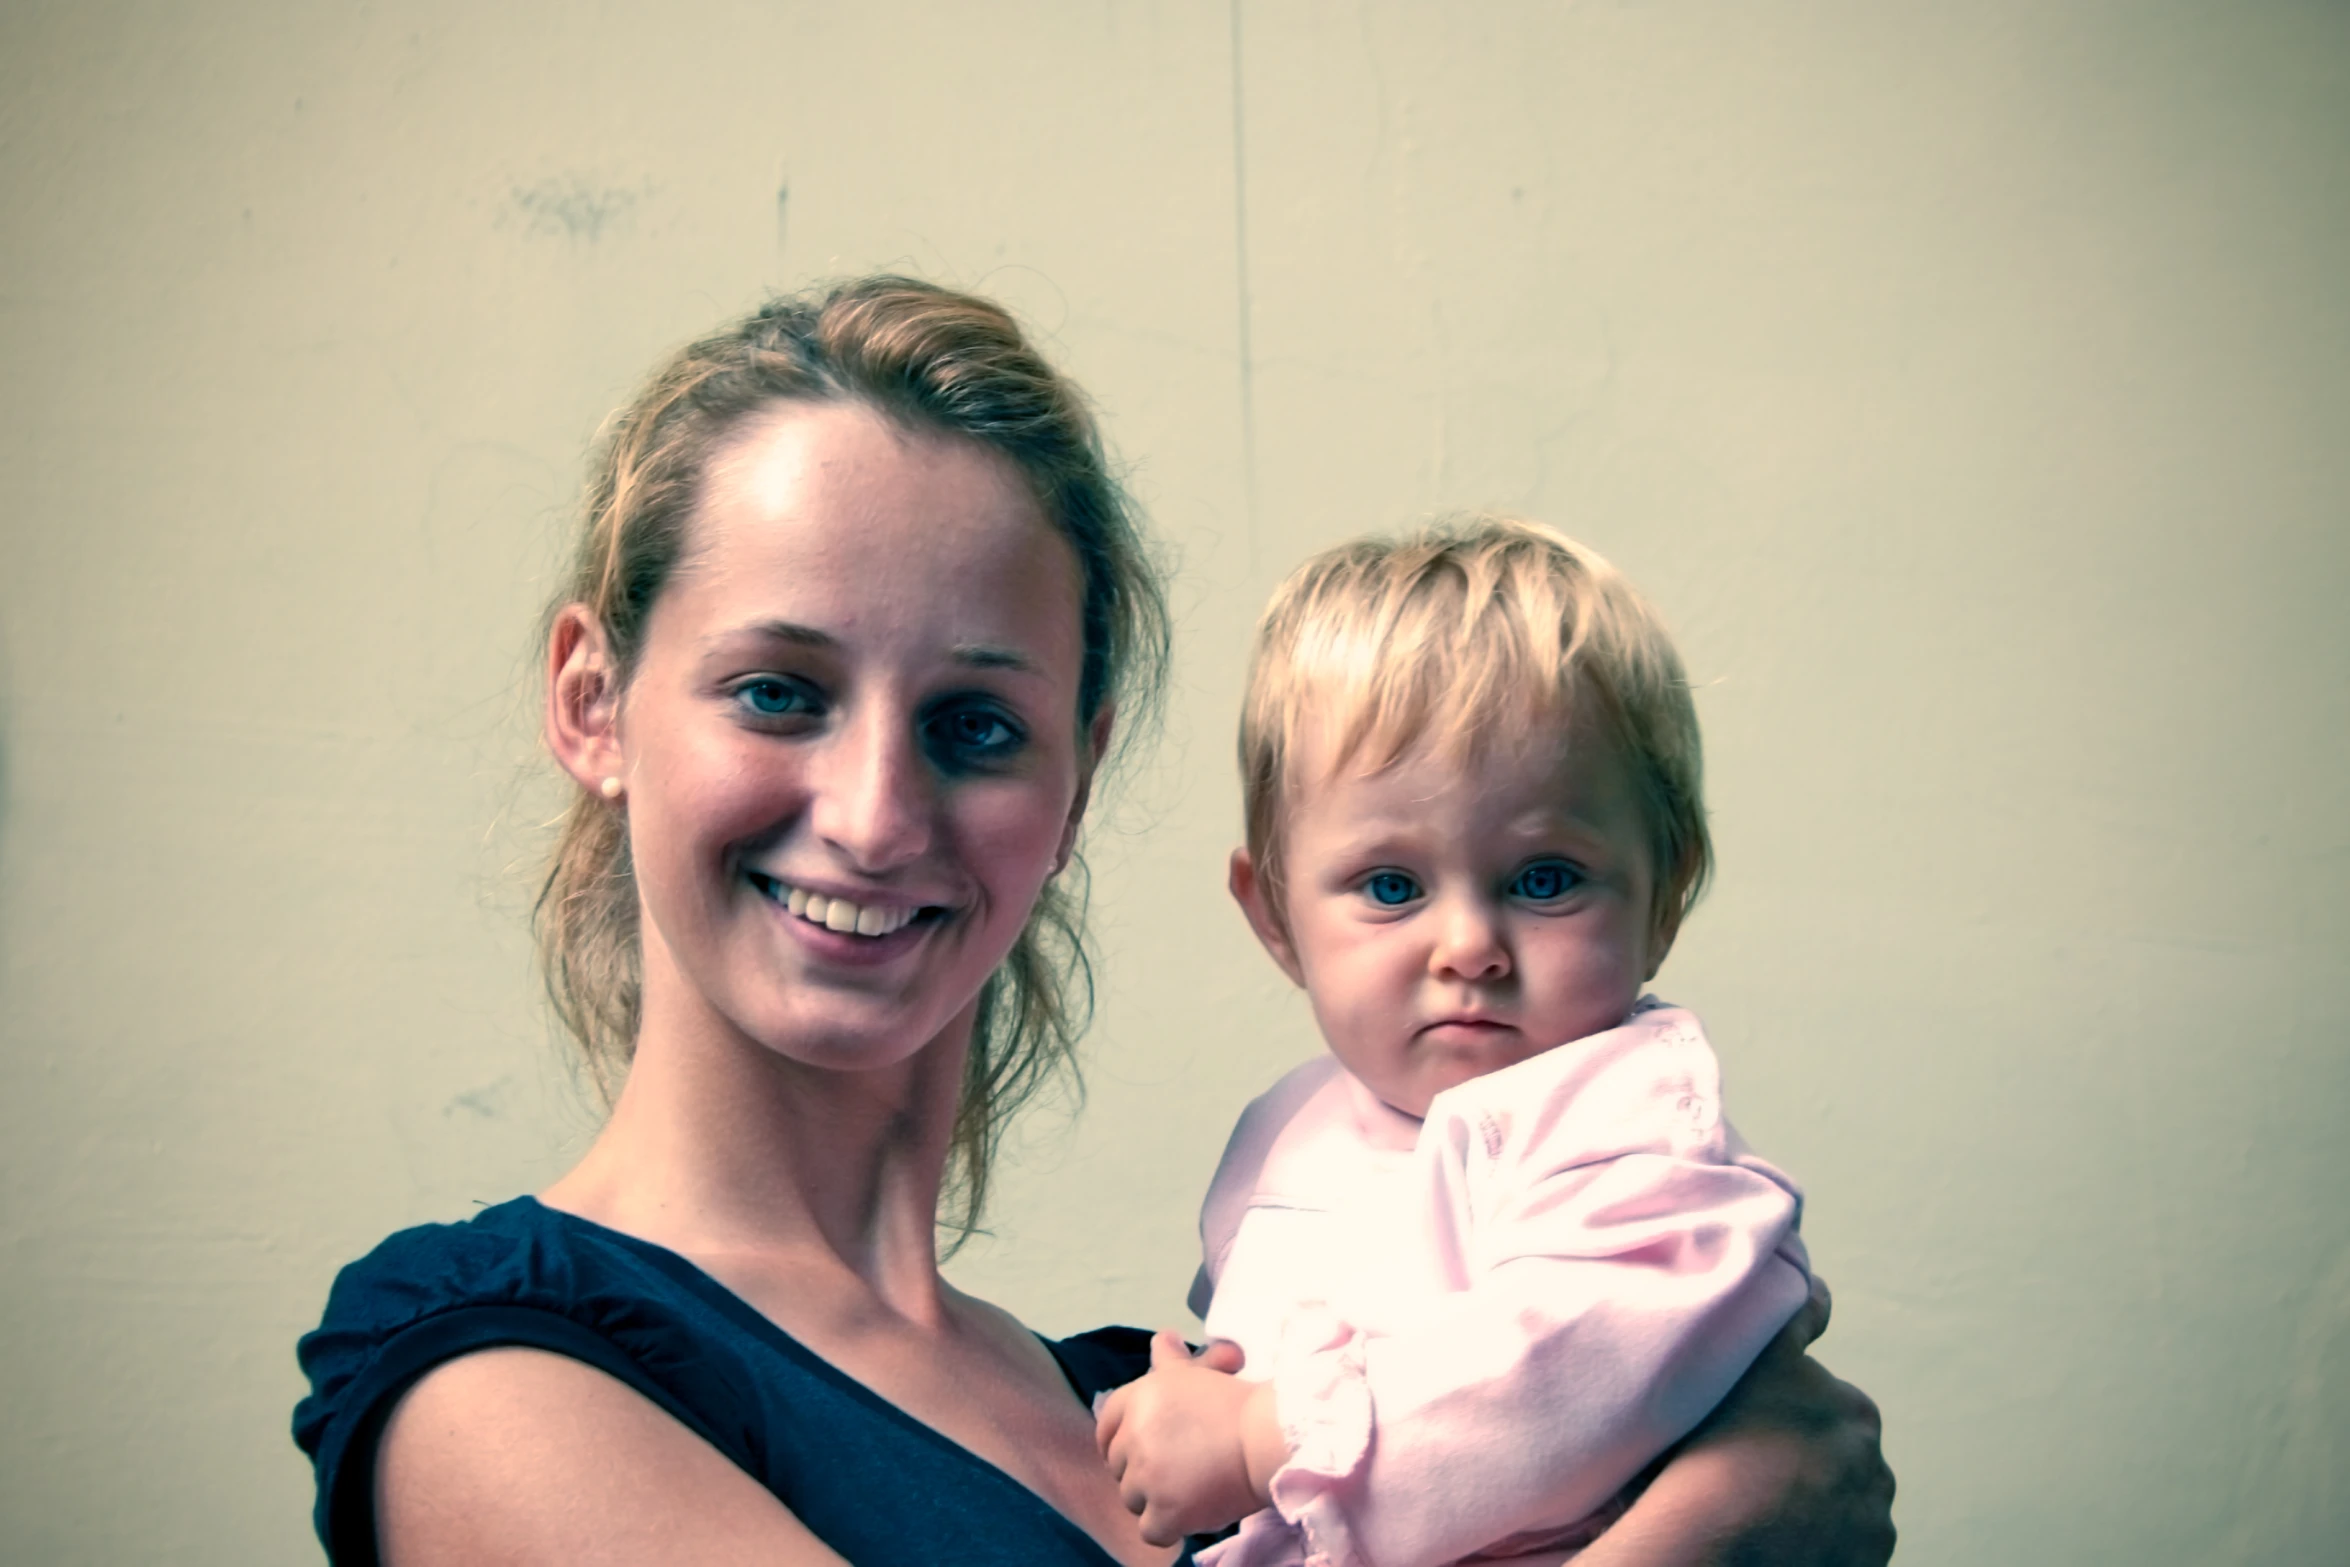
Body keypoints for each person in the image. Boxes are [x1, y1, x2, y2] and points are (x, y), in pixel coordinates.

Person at [291, 277, 1896, 1566]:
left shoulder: (1174, 1383)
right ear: (593, 702)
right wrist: (1707, 1530)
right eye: (776, 692)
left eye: (976, 724)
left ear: (1077, 773)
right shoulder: (500, 1369)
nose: (871, 811)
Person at [1097, 519, 1820, 1566]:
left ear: (1665, 895)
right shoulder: (1286, 1128)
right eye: (1391, 887)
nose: (1470, 945)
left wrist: (1266, 1434)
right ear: (1274, 919)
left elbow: (1561, 1377)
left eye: (1544, 879)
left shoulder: (1628, 1122)